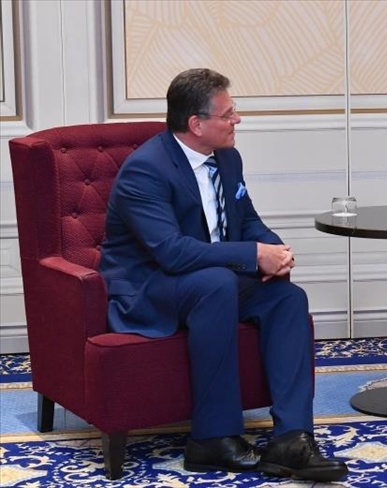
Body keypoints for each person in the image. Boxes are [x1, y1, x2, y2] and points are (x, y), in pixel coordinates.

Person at [99, 68, 348, 482]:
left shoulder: (228, 159)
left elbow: (247, 220)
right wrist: (253, 256)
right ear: (196, 124)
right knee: (215, 284)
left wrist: (275, 251)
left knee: (288, 298)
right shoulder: (145, 170)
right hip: (150, 286)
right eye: (228, 114)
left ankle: (292, 438)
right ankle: (212, 439)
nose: (238, 120)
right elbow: (171, 253)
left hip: (210, 280)